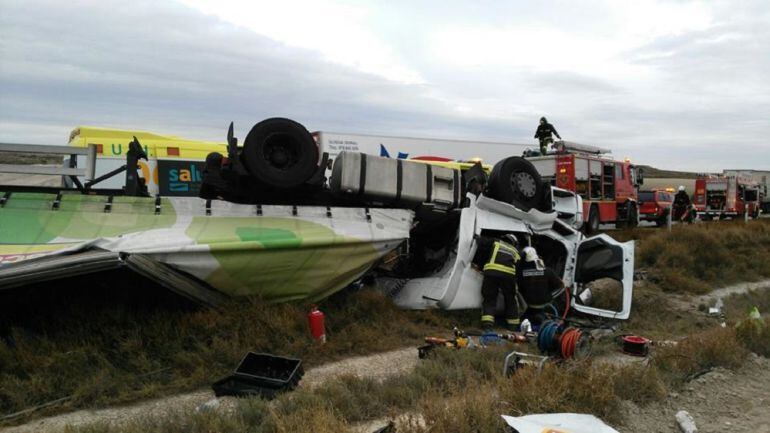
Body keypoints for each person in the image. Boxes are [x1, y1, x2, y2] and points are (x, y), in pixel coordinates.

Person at [473, 233, 522, 331]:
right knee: (510, 299)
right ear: (514, 243)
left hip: (492, 273)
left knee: (489, 298)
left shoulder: (495, 242)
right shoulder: (515, 251)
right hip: (508, 276)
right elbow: (518, 269)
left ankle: (488, 324)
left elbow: (481, 242)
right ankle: (513, 326)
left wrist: (476, 236)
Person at [517, 246, 566, 326]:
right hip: (546, 305)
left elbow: (518, 289)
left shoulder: (521, 273)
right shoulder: (548, 271)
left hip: (529, 306)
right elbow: (561, 287)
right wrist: (550, 296)